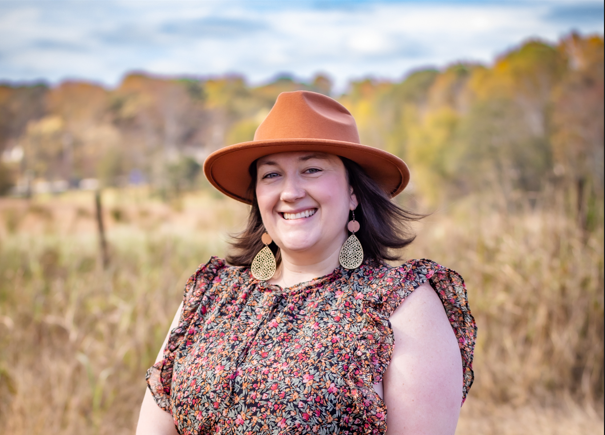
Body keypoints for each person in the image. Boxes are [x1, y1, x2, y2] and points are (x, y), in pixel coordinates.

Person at [136, 90, 476, 435]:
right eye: (271, 175)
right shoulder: (210, 295)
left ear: (353, 190)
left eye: (311, 169)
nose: (290, 192)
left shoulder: (402, 304)